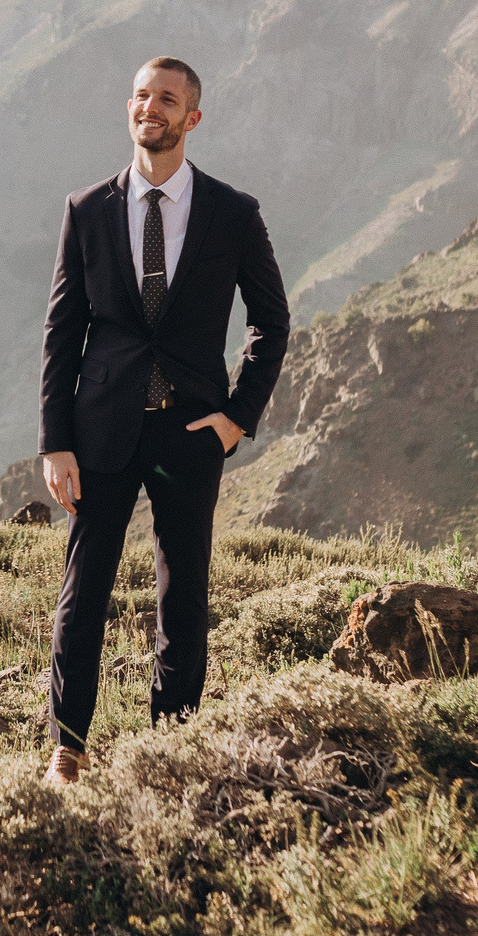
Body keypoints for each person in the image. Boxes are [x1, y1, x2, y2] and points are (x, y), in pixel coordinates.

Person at [34, 56, 289, 784]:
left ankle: (170, 745)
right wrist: (56, 440)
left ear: (192, 118)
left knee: (184, 594)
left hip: (190, 431)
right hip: (101, 430)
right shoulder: (86, 209)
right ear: (130, 108)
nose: (153, 107)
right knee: (85, 591)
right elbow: (62, 330)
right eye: (143, 95)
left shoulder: (232, 213)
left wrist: (239, 417)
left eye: (168, 99)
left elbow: (271, 321)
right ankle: (69, 748)